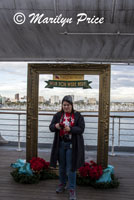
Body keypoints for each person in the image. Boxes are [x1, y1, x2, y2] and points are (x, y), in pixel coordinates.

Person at [49, 95, 85, 200]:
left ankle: (72, 188)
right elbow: (51, 127)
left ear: (72, 105)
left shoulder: (78, 116)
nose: (66, 107)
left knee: (71, 168)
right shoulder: (58, 115)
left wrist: (71, 129)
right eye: (64, 105)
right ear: (62, 105)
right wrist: (55, 126)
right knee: (62, 167)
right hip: (60, 144)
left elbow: (81, 129)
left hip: (71, 145)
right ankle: (62, 184)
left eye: (68, 105)